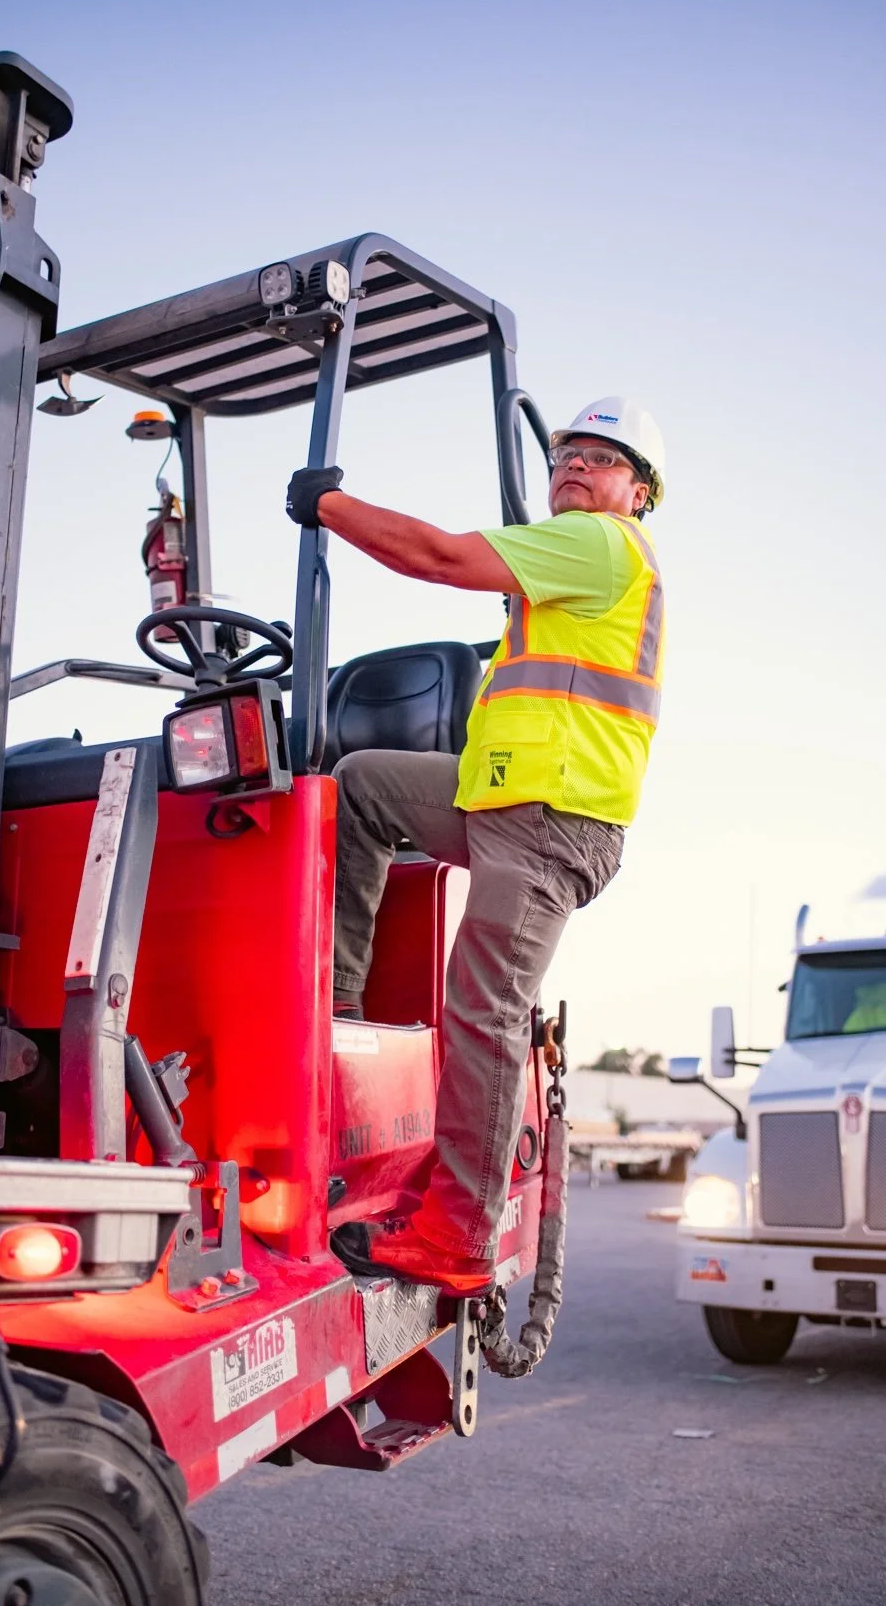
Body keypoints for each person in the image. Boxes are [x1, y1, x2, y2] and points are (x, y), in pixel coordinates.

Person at [285, 396, 667, 1296]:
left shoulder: (603, 545)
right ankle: (336, 1004)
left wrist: (328, 507)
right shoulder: (560, 576)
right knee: (366, 785)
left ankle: (457, 1235)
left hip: (551, 825)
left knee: (482, 1010)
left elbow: (440, 555)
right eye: (566, 453)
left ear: (638, 493)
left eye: (602, 459)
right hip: (500, 806)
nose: (575, 466)